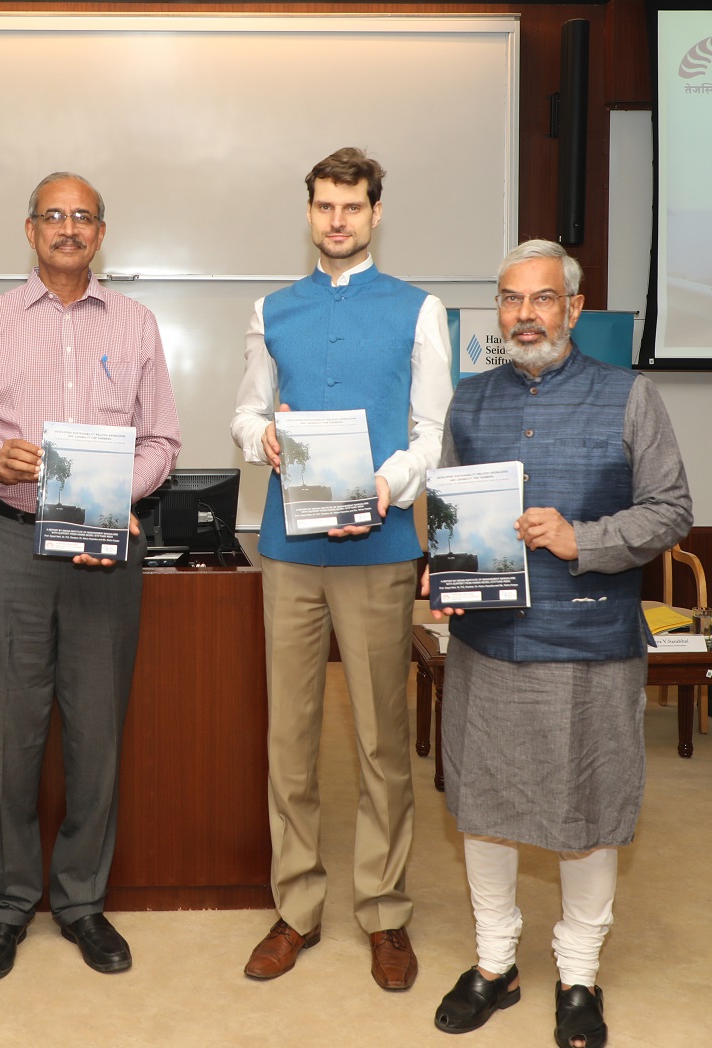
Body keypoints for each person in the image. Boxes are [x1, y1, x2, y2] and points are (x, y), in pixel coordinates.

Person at [426, 239, 692, 1048]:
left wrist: (585, 538)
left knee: (588, 810)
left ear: (574, 309)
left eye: (543, 300)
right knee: (484, 808)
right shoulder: (468, 402)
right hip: (488, 643)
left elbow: (671, 509)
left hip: (587, 642)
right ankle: (494, 962)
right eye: (511, 300)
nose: (525, 315)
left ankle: (578, 975)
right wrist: (443, 557)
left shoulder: (629, 397)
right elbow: (440, 512)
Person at [0, 171, 180, 979]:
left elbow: (163, 443)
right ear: (30, 229)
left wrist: (114, 489)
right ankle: (5, 905)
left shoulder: (137, 323)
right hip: (11, 540)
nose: (69, 229)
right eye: (54, 216)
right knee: (10, 731)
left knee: (97, 731)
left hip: (104, 546)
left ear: (102, 233)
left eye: (84, 218)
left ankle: (80, 901)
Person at [229, 147, 452, 990]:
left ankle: (385, 913)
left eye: (351, 207)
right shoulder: (272, 310)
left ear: (375, 212)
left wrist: (386, 485)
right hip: (290, 552)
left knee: (380, 742)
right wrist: (265, 439)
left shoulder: (420, 311)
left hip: (382, 548)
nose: (336, 221)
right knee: (289, 738)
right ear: (310, 212)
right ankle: (296, 908)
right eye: (323, 206)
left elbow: (432, 432)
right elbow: (246, 416)